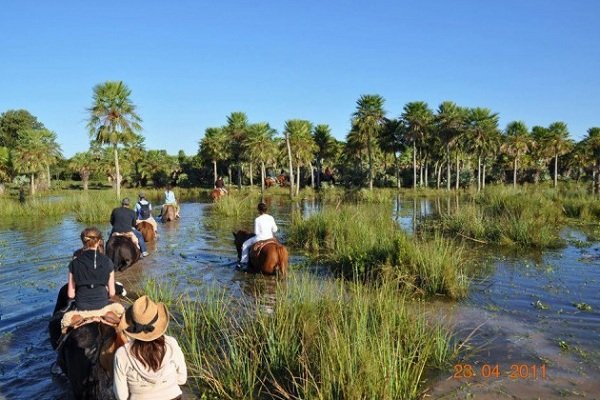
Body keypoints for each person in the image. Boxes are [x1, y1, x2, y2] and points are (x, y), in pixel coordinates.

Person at [114, 296, 187, 400]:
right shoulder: (171, 343)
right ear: (158, 323)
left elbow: (121, 396)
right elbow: (182, 379)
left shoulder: (122, 354)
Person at [67, 227, 116, 311]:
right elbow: (112, 293)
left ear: (83, 241)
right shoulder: (108, 261)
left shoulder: (74, 263)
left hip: (81, 306)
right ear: (99, 241)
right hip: (102, 304)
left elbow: (71, 295)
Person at [239, 202, 278, 267]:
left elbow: (256, 232)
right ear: (266, 210)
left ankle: (244, 262)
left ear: (259, 210)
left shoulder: (257, 219)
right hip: (270, 237)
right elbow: (275, 229)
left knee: (245, 245)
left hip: (260, 238)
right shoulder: (271, 217)